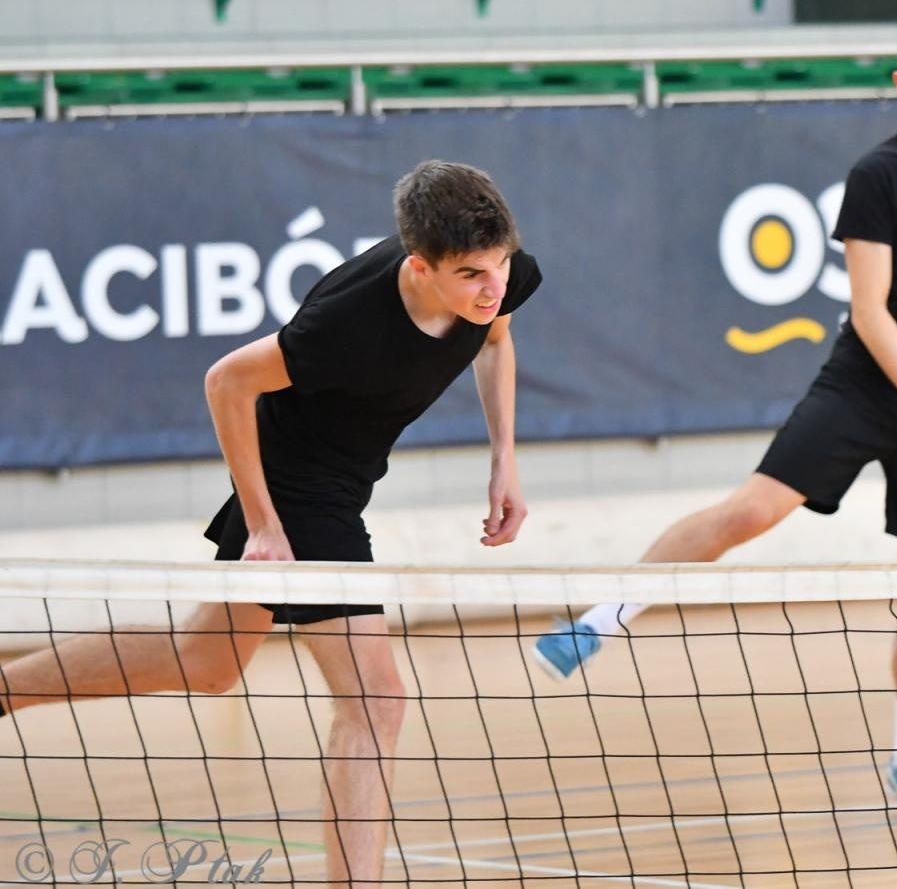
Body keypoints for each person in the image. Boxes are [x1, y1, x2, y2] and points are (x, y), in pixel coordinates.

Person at [0, 160, 542, 889]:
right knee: (376, 700)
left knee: (207, 661)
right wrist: (263, 524)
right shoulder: (345, 325)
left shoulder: (494, 277)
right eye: (474, 274)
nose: (494, 286)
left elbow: (498, 340)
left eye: (502, 265)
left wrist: (504, 461)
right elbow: (226, 382)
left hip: (344, 484)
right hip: (294, 486)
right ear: (420, 267)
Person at [531, 8, 897, 821]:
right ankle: (598, 620)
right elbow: (870, 312)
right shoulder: (880, 175)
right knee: (750, 511)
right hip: (870, 388)